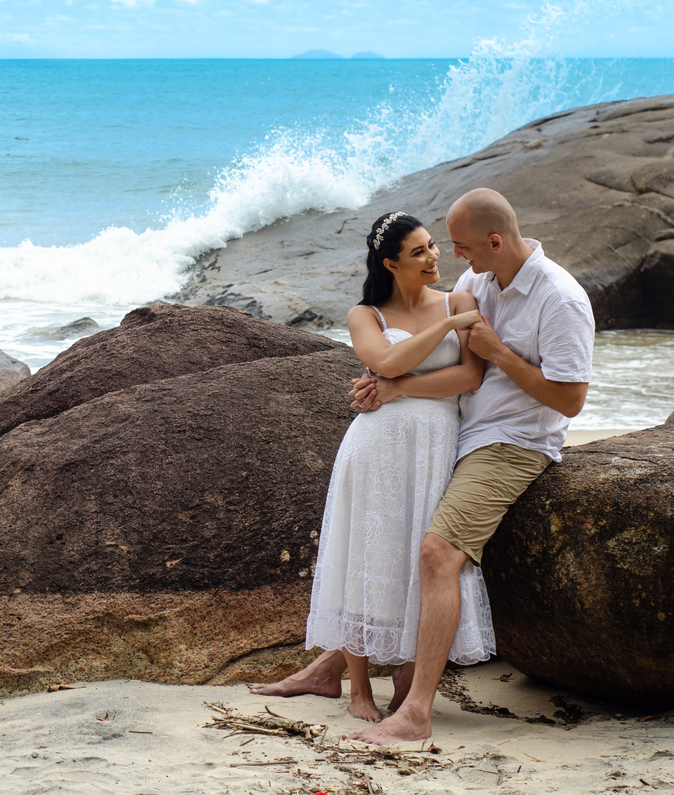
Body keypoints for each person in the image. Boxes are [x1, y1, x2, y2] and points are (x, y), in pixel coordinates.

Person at [342, 188, 595, 743]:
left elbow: (571, 401)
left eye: (459, 245)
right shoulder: (477, 283)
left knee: (436, 554)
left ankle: (416, 713)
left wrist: (500, 351)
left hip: (510, 442)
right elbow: (418, 348)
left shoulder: (561, 299)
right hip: (455, 434)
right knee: (390, 543)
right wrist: (385, 384)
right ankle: (336, 670)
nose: (451, 256)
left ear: (495, 240)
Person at [255, 210, 489, 723]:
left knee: (419, 559)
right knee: (361, 557)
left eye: (432, 246)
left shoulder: (459, 299)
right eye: (419, 252)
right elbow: (384, 362)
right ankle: (357, 690)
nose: (433, 257)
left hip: (435, 445)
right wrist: (446, 330)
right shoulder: (366, 315)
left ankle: (406, 675)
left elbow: (469, 377)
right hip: (376, 447)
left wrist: (399, 387)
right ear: (391, 264)